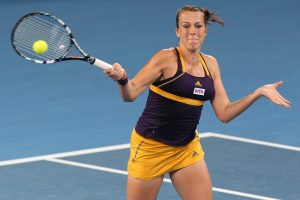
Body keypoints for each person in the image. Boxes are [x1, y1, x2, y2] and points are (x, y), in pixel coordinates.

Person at [104, 5, 291, 200]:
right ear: (177, 31)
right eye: (185, 26)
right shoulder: (166, 59)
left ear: (205, 30)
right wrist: (122, 79)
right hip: (151, 149)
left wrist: (258, 93)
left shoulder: (210, 64)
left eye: (197, 26)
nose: (192, 31)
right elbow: (130, 94)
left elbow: (224, 113)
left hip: (186, 148)